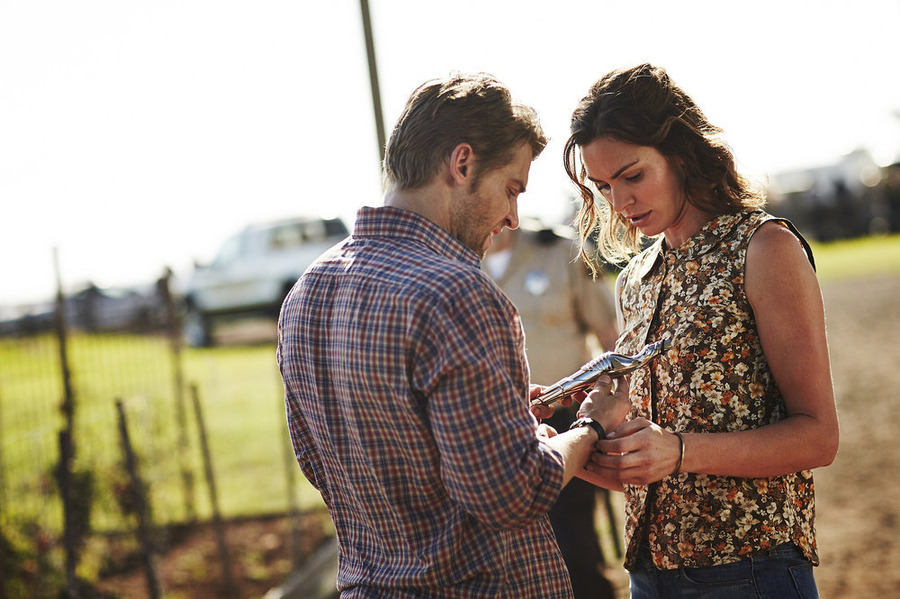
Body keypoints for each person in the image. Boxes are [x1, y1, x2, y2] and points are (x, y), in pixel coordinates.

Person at [278, 72, 632, 598]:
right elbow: (514, 493)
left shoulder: (306, 294)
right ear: (462, 164)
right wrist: (592, 427)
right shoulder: (457, 292)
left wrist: (502, 421)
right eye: (510, 189)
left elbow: (323, 461)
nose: (513, 217)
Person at [562, 63, 840, 598]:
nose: (618, 203)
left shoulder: (763, 248)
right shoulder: (635, 279)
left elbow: (818, 436)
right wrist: (562, 440)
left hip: (750, 571)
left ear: (682, 153)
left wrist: (682, 451)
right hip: (647, 575)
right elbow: (646, 460)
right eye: (602, 186)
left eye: (632, 176)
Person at [483, 222, 620, 599]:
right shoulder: (456, 265)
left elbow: (609, 335)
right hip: (495, 424)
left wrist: (621, 399)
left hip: (564, 415)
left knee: (573, 538)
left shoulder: (561, 251)